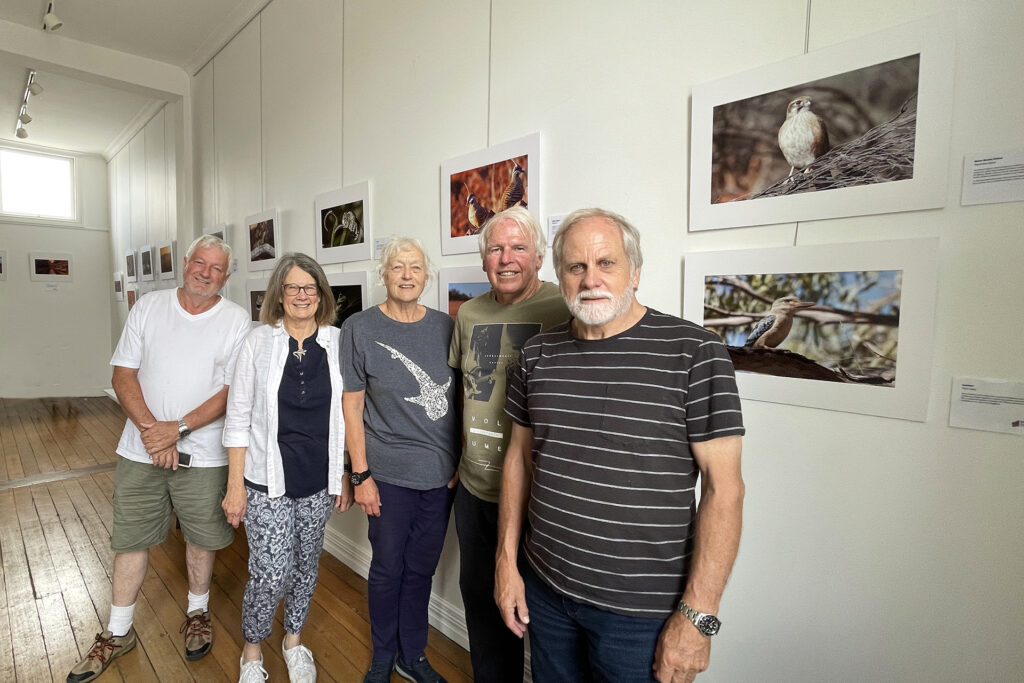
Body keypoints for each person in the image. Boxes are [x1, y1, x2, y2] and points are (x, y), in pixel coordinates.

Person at [494, 208, 746, 683]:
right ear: (561, 277)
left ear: (635, 270)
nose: (591, 279)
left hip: (642, 615)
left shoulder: (694, 353)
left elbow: (724, 490)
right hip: (546, 592)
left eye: (606, 263)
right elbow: (518, 462)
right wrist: (507, 563)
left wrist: (699, 617)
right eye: (576, 267)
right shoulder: (537, 354)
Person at [67, 235, 251, 683]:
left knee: (202, 539)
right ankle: (118, 631)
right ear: (186, 263)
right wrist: (155, 432)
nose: (205, 273)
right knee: (130, 538)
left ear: (227, 278)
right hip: (140, 450)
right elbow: (123, 373)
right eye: (200, 263)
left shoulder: (236, 320)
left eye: (216, 269)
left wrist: (179, 428)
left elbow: (231, 392)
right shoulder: (149, 307)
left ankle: (197, 613)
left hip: (204, 456)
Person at [448, 206, 569, 681]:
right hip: (476, 492)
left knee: (546, 619)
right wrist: (458, 455)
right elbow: (464, 390)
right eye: (495, 249)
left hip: (541, 499)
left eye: (518, 247)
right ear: (483, 262)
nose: (506, 258)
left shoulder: (564, 308)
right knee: (482, 606)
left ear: (539, 256)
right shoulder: (470, 313)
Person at [221, 253, 351, 683]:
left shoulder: (337, 342)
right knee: (270, 570)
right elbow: (237, 418)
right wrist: (234, 486)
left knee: (305, 566)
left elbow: (350, 415)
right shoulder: (258, 342)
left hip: (317, 479)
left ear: (321, 295)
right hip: (265, 480)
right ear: (279, 293)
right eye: (293, 287)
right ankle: (252, 649)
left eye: (309, 288)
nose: (301, 295)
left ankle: (294, 640)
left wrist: (346, 474)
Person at [340, 237, 460, 683]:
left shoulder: (447, 326)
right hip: (385, 475)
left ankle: (414, 654)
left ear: (426, 276)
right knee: (389, 567)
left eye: (414, 267)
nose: (406, 275)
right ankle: (382, 655)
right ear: (383, 275)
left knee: (421, 569)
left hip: (439, 478)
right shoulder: (360, 327)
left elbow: (465, 398)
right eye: (397, 267)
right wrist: (361, 475)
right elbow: (352, 407)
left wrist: (459, 462)